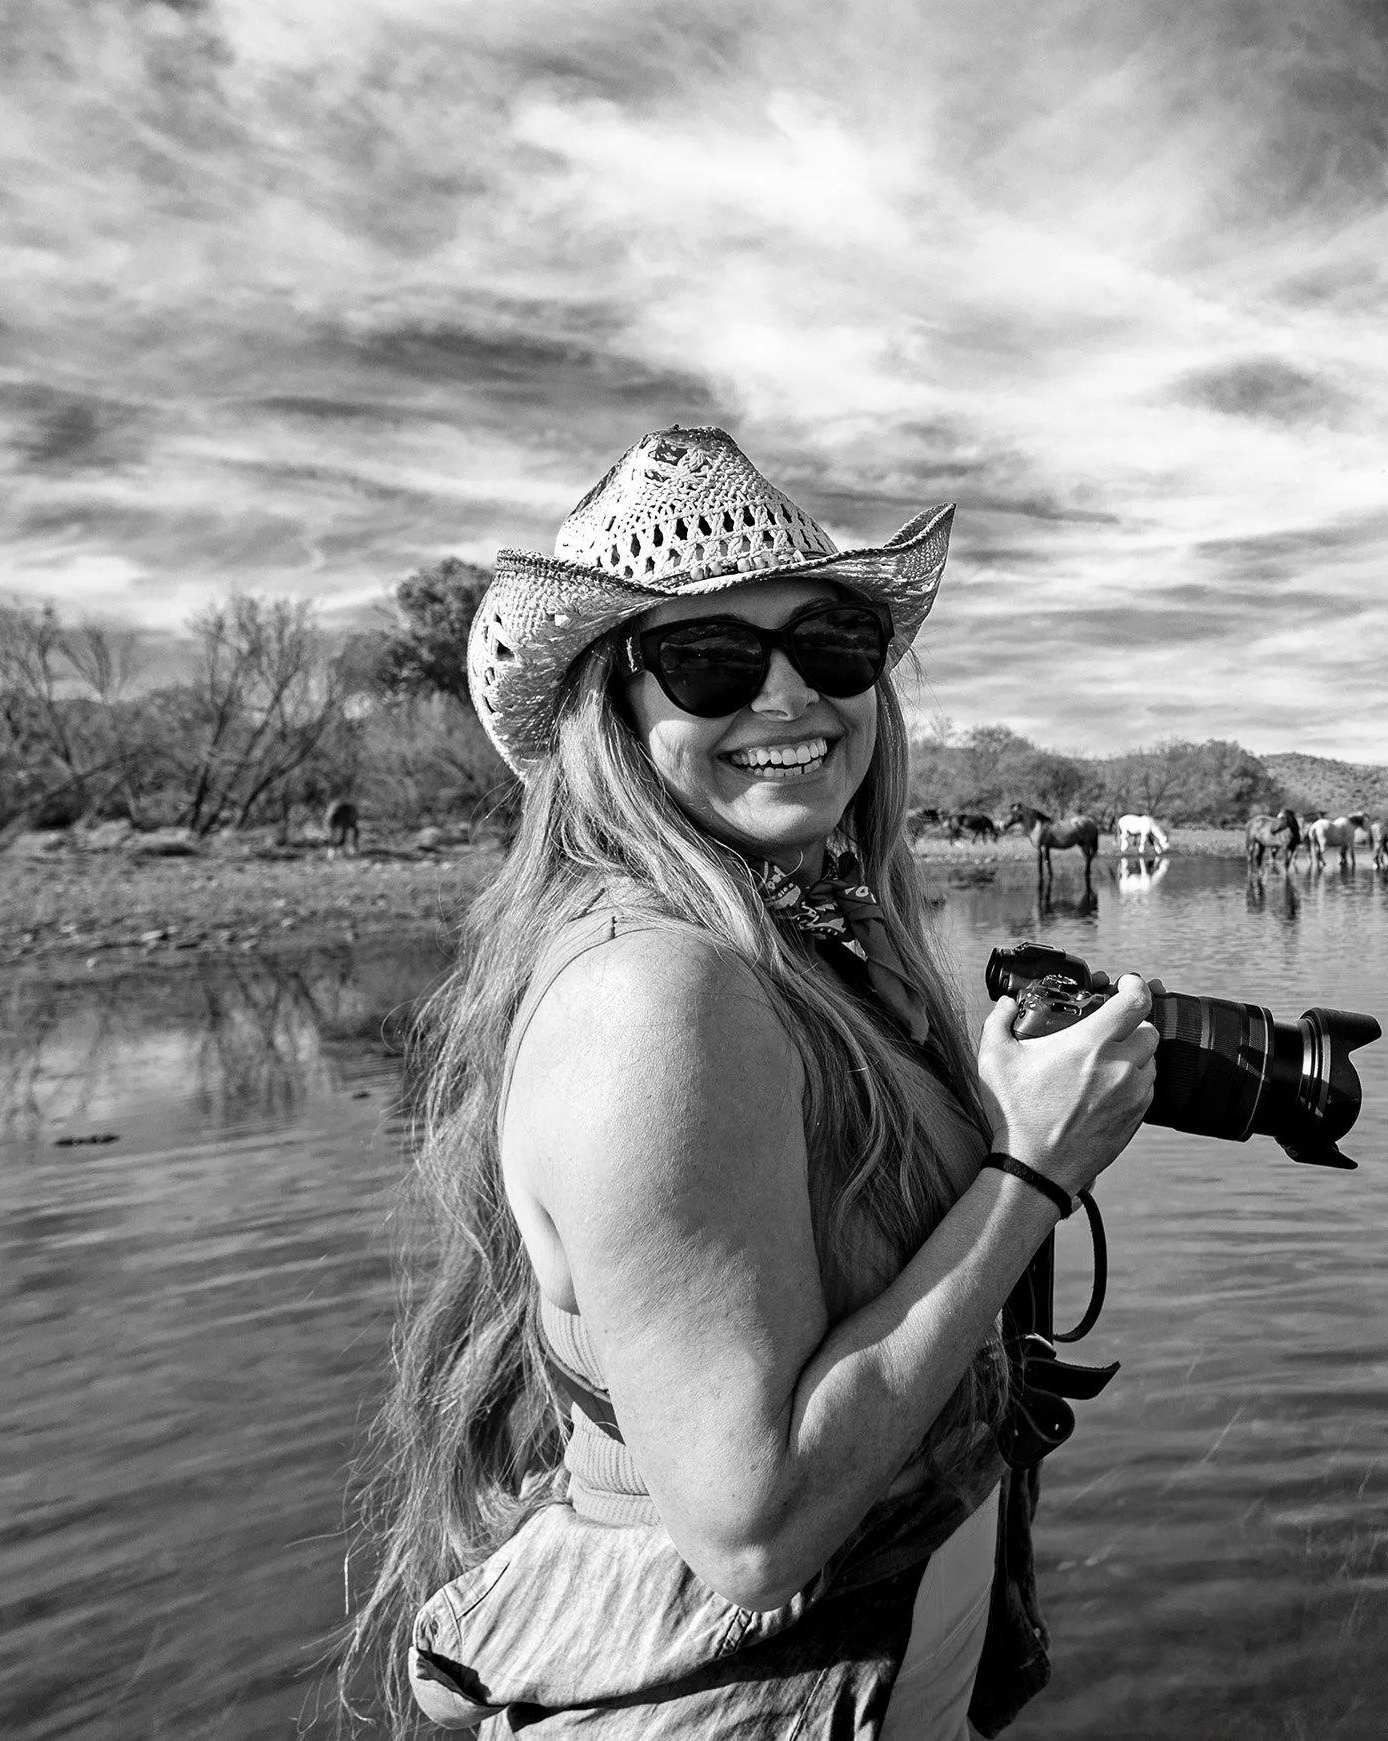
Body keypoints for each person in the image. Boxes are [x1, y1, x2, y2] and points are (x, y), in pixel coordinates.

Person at [342, 427, 1157, 1738]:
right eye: (712, 660)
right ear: (610, 709)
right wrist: (1030, 1172)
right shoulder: (657, 995)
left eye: (831, 647)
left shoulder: (785, 942)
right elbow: (753, 1529)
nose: (788, 698)